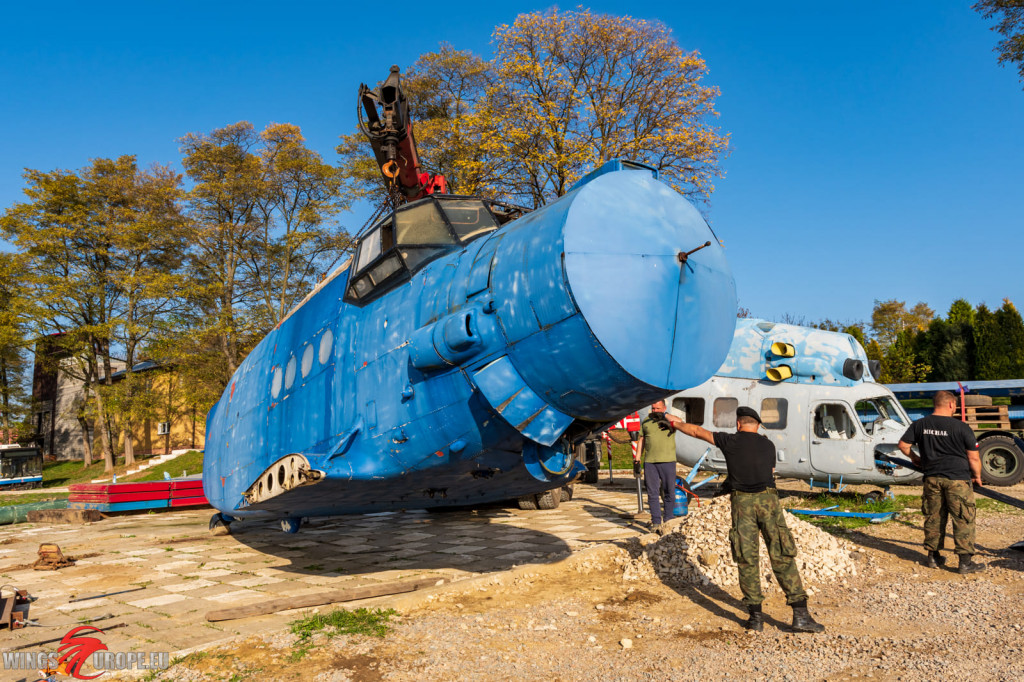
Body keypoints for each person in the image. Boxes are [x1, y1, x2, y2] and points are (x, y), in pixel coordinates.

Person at [664, 406, 825, 633]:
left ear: (738, 424)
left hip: (742, 504)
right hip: (768, 502)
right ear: (757, 425)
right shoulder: (768, 445)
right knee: (781, 553)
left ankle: (755, 618)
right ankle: (800, 615)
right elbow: (769, 470)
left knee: (747, 558)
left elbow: (697, 432)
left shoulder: (730, 441)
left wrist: (675, 422)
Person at [898, 390, 984, 574]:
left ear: (935, 404)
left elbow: (903, 445)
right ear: (952, 404)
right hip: (957, 480)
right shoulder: (961, 427)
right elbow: (974, 459)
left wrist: (914, 458)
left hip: (932, 478)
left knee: (934, 516)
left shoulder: (920, 424)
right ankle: (965, 563)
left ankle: (933, 557)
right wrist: (977, 476)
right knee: (963, 518)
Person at [635, 400, 677, 532]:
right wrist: (637, 459)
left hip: (668, 461)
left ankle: (669, 520)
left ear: (664, 408)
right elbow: (641, 440)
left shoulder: (670, 420)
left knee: (669, 492)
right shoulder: (646, 421)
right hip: (650, 462)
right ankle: (656, 522)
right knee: (652, 493)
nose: (655, 411)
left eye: (658, 409)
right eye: (653, 409)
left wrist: (665, 416)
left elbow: (681, 422)